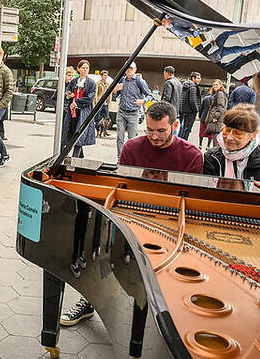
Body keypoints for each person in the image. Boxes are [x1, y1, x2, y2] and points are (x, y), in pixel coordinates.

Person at [60, 101, 203, 327]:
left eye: (161, 131)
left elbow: (191, 200)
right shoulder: (131, 148)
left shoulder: (192, 155)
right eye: (149, 130)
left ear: (175, 125)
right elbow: (122, 188)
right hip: (133, 213)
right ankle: (89, 301)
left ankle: (167, 311)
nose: (154, 137)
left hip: (172, 221)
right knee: (100, 246)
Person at [203, 104, 260, 183]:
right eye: (226, 130)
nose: (229, 138)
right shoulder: (211, 157)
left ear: (253, 134)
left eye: (237, 133)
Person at [113, 62, 152, 158]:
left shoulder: (139, 81)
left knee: (131, 139)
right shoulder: (122, 80)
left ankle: (130, 159)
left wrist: (143, 101)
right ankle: (120, 158)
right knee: (120, 138)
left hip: (133, 113)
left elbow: (150, 95)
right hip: (121, 112)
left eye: (131, 68)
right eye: (127, 68)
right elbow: (114, 96)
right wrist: (115, 90)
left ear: (135, 70)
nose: (128, 70)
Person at [62, 60, 96, 158]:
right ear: (78, 69)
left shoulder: (91, 83)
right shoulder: (74, 81)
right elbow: (68, 91)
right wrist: (69, 95)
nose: (85, 70)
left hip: (83, 112)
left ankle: (75, 157)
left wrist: (76, 102)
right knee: (72, 132)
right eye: (83, 68)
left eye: (87, 68)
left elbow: (89, 99)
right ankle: (79, 156)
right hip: (72, 112)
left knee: (79, 133)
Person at [204, 79, 228, 147]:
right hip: (219, 119)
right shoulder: (219, 93)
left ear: (220, 85)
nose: (215, 86)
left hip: (217, 119)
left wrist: (215, 116)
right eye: (214, 85)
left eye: (216, 84)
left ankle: (216, 154)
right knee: (216, 137)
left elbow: (221, 106)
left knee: (216, 138)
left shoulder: (220, 93)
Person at [178, 71, 201, 140]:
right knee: (187, 129)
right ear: (193, 78)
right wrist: (196, 110)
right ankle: (183, 144)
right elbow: (192, 100)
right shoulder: (193, 87)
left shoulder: (185, 86)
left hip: (184, 110)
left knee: (184, 128)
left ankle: (181, 142)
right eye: (198, 78)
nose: (200, 79)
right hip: (191, 111)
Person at [94, 70, 110, 137]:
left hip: (105, 103)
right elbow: (95, 94)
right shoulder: (98, 83)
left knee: (107, 118)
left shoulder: (108, 84)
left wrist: (109, 102)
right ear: (101, 76)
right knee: (98, 118)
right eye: (104, 75)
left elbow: (110, 94)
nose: (105, 77)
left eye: (106, 75)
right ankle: (98, 131)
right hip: (99, 103)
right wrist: (96, 103)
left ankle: (105, 130)